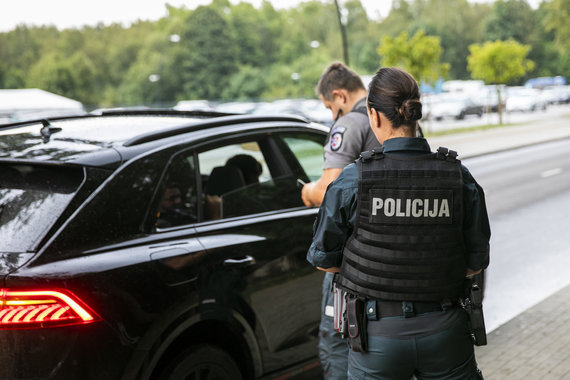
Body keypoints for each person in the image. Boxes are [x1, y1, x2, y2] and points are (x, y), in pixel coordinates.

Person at [307, 67, 490, 380]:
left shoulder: (354, 179)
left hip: (377, 338)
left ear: (374, 116)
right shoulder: (458, 176)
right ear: (414, 113)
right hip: (446, 331)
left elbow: (325, 262)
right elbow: (476, 263)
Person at [302, 62, 380, 380]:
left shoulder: (349, 124)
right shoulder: (390, 118)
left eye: (329, 107)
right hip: (386, 255)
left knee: (335, 343)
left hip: (349, 262)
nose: (332, 115)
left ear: (339, 96)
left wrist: (306, 192)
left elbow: (328, 193)